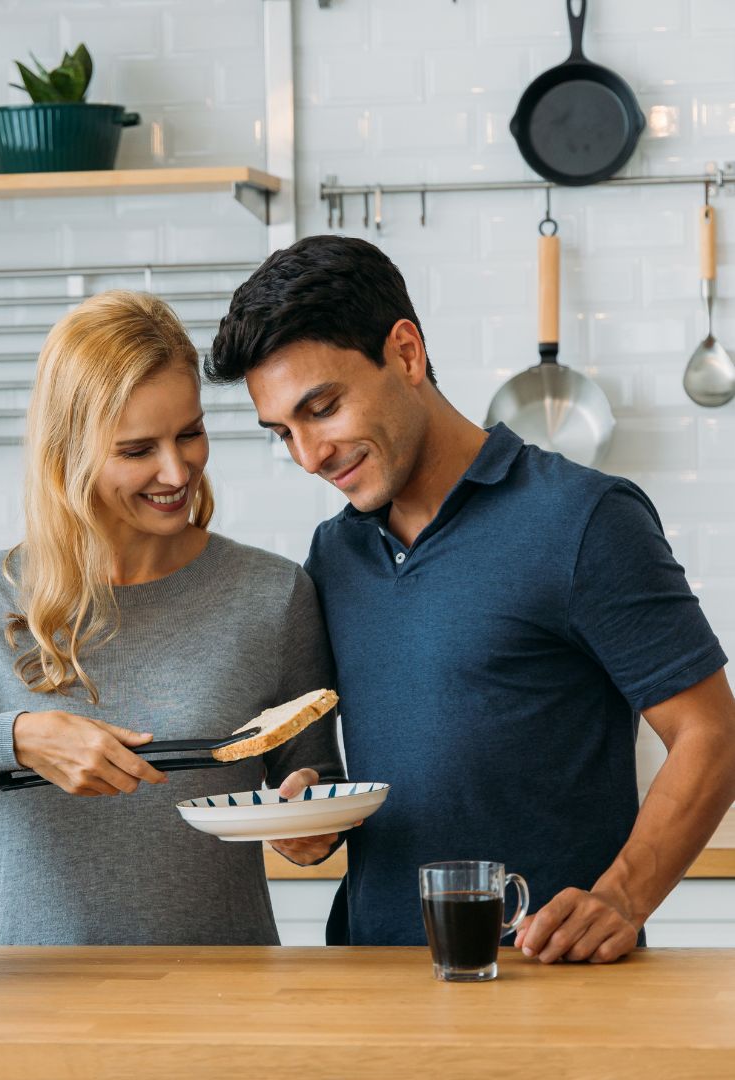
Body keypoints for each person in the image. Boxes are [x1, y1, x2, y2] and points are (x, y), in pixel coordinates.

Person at [204, 234, 735, 962]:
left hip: (548, 981)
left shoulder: (584, 519)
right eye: (283, 433)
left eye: (322, 408)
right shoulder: (336, 553)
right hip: (372, 979)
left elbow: (712, 735)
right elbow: (350, 763)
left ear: (407, 353)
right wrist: (312, 810)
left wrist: (622, 896)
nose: (309, 455)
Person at [0, 290, 344, 945]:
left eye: (190, 434)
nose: (177, 470)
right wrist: (19, 739)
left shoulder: (273, 594)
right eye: (138, 449)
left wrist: (311, 821)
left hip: (226, 1010)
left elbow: (315, 784)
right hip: (34, 1018)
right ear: (69, 453)